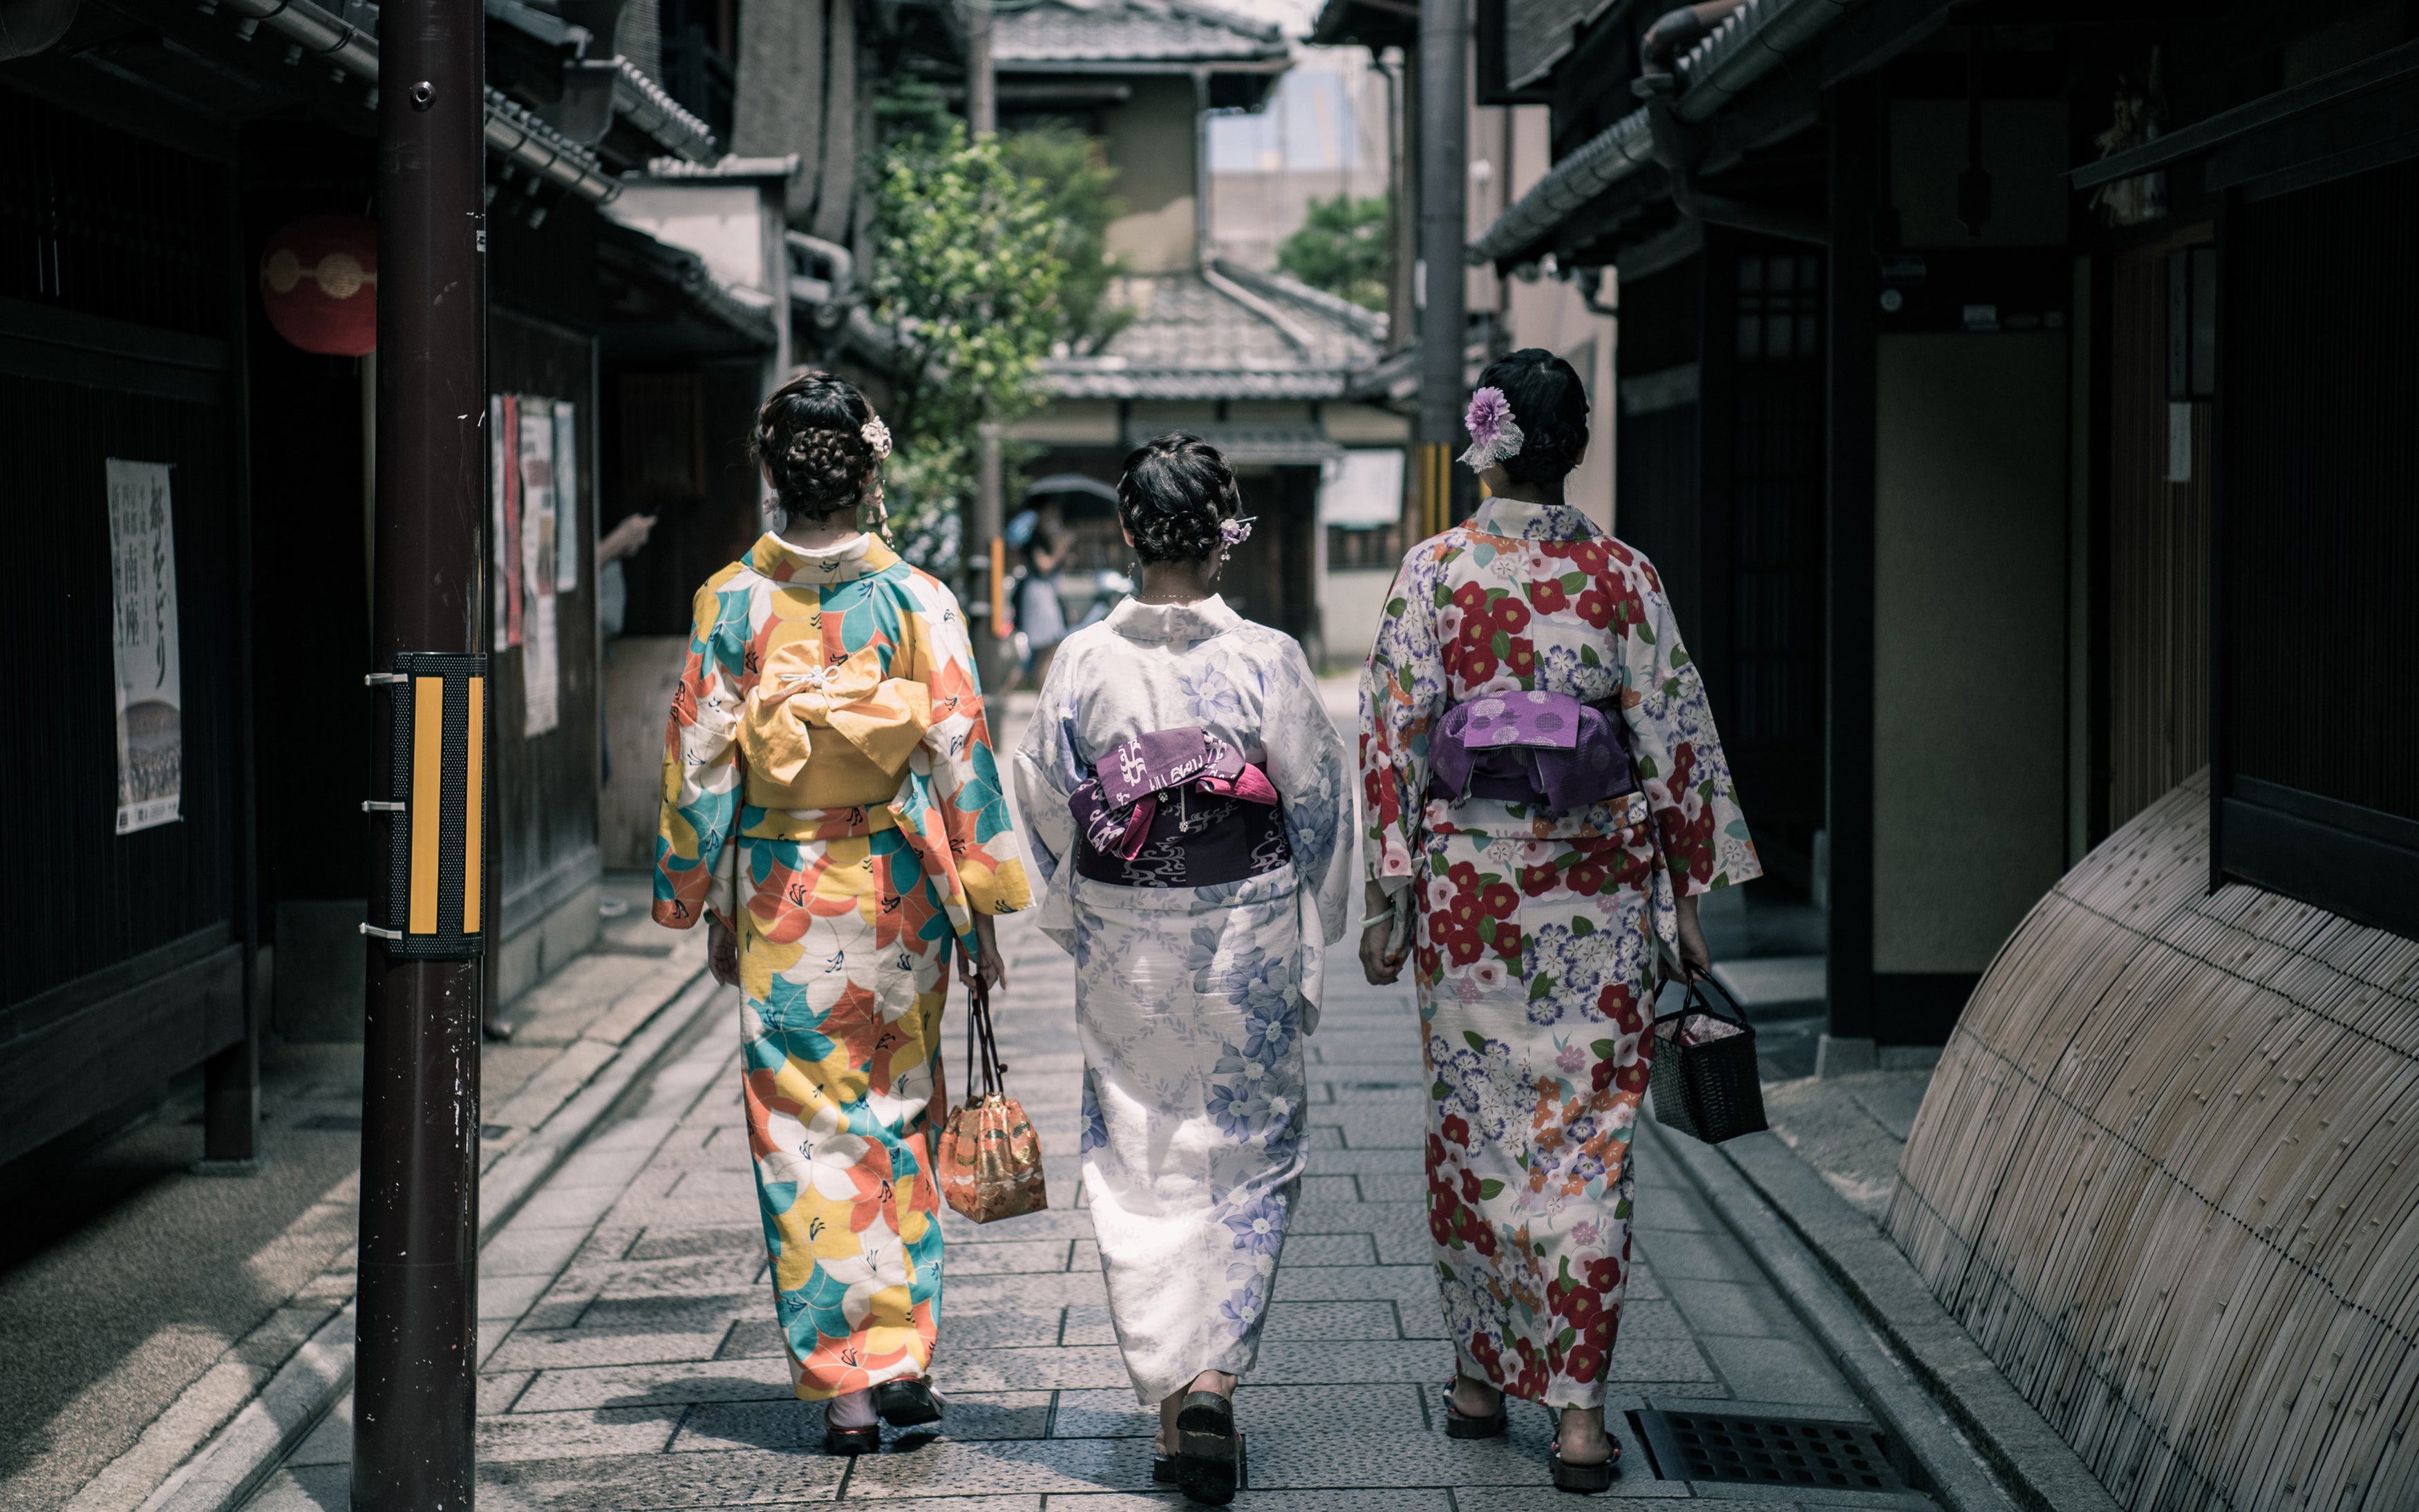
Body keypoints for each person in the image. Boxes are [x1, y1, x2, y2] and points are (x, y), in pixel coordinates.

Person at [1357, 351, 1759, 1492]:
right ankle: (1579, 1414)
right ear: (1573, 445)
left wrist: (1390, 901)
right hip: (1597, 891)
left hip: (1472, 897)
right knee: (1588, 1147)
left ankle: (1482, 1378)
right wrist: (1685, 898)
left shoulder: (1435, 572)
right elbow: (1675, 738)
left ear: (1483, 443)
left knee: (1477, 1133)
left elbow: (1393, 740)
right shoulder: (1624, 577)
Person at [651, 371, 1030, 1455]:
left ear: (773, 473)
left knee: (806, 1133)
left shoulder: (733, 600)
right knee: (900, 1110)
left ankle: (850, 1391)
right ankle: (905, 1356)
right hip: (902, 884)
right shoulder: (918, 598)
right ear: (869, 473)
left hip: (783, 886)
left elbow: (701, 763)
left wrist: (698, 893)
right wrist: (985, 903)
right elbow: (962, 747)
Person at [1009, 435, 1353, 1506]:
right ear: (1224, 535)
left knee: (1140, 1149)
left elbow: (1041, 797)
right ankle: (1214, 1378)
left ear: (1126, 536)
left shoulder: (1081, 661)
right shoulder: (1267, 658)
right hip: (1244, 923)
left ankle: (1172, 1407)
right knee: (1247, 1153)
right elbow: (1318, 805)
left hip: (1125, 928)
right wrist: (1321, 908)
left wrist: (1088, 888)